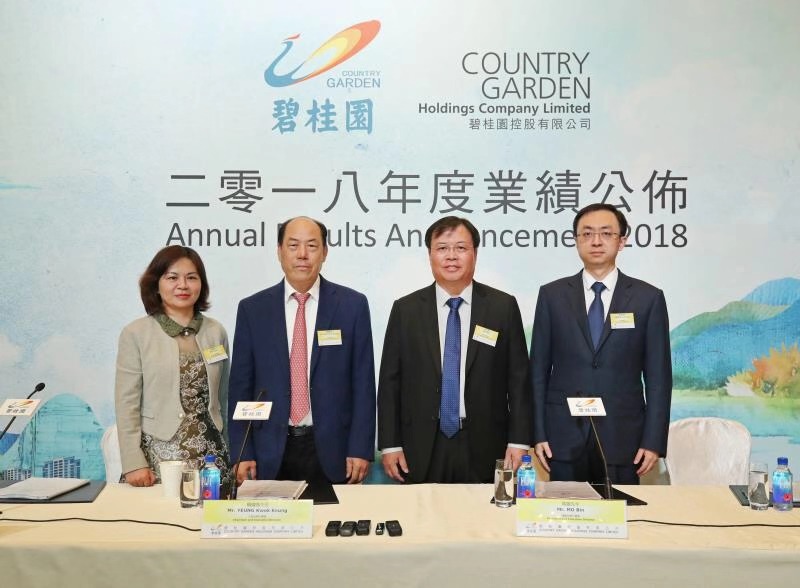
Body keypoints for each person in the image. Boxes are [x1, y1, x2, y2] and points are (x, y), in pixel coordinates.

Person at [378, 216, 531, 483]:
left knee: (485, 510)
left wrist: (519, 440)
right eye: (442, 248)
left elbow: (518, 380)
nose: (451, 256)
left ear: (475, 254)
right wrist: (391, 444)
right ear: (430, 255)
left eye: (461, 248)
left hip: (487, 443)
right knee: (422, 510)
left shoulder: (502, 307)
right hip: (420, 445)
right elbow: (390, 382)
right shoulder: (406, 310)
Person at [530, 203, 672, 485]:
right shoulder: (552, 296)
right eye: (587, 234)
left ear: (622, 241)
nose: (596, 241)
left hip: (623, 437)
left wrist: (653, 440)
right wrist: (538, 433)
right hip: (563, 436)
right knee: (564, 510)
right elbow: (537, 373)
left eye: (606, 233)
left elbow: (658, 378)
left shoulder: (648, 298)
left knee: (622, 510)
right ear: (576, 241)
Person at [228, 216, 375, 486]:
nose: (302, 254)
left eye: (312, 246)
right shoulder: (253, 309)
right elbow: (242, 387)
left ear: (325, 252)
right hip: (268, 449)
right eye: (293, 245)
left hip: (334, 450)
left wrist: (360, 448)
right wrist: (243, 450)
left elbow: (363, 384)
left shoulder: (352, 306)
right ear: (279, 251)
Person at [115, 245, 232, 493]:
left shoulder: (216, 331)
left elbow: (224, 398)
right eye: (172, 278)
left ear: (202, 284)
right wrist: (133, 461)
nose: (183, 285)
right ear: (156, 285)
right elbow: (127, 403)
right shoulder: (136, 333)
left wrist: (234, 454)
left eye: (191, 277)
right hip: (158, 457)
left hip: (212, 456)